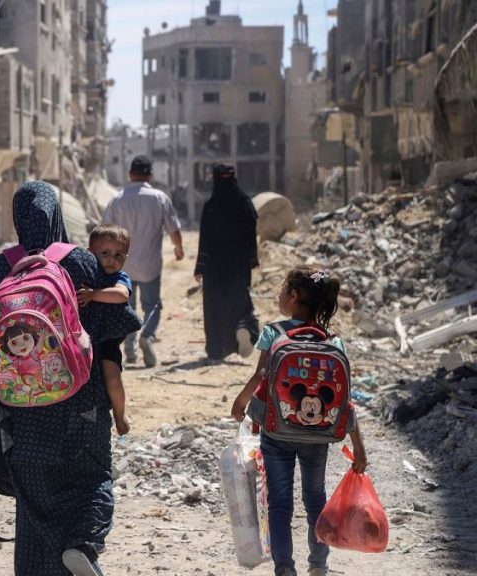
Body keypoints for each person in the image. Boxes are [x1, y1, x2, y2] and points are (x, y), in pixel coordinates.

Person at [0, 181, 140, 576]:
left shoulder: (2, 266)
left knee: (35, 498)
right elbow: (113, 325)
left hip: (23, 403)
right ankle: (83, 545)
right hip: (80, 400)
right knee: (92, 479)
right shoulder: (80, 262)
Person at [230, 267, 368, 576]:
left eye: (282, 291)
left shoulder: (273, 333)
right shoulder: (334, 342)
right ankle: (318, 565)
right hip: (318, 436)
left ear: (293, 297)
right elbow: (345, 399)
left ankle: (285, 569)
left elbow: (261, 375)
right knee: (315, 499)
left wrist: (241, 402)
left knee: (280, 503)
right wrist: (358, 446)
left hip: (277, 432)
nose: (278, 295)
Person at [102, 155, 184, 368]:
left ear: (130, 174)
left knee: (127, 306)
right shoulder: (159, 198)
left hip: (122, 267)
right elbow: (173, 229)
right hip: (150, 266)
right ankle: (146, 336)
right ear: (150, 175)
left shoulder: (117, 199)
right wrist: (179, 248)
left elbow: (103, 232)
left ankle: (129, 349)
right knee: (153, 305)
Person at [194, 164, 260, 361]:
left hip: (214, 267)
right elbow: (251, 235)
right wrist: (252, 258)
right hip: (238, 265)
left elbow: (204, 239)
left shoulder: (211, 206)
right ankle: (244, 328)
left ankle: (216, 349)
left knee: (215, 307)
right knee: (240, 303)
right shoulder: (245, 203)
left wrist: (200, 266)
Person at [78, 224, 134, 436]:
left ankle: (120, 414)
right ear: (90, 253)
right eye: (105, 254)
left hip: (108, 339)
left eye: (119, 255)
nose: (112, 260)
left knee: (112, 374)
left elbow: (121, 295)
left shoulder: (118, 279)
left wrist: (93, 295)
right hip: (84, 338)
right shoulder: (86, 274)